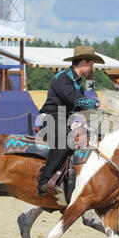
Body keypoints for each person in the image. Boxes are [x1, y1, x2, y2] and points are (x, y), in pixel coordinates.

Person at [37, 46, 104, 196]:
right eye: (92, 64)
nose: (92, 68)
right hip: (51, 118)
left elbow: (78, 107)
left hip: (64, 120)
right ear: (83, 62)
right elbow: (75, 99)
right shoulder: (63, 78)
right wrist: (98, 104)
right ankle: (44, 181)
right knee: (67, 140)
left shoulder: (77, 81)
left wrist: (98, 115)